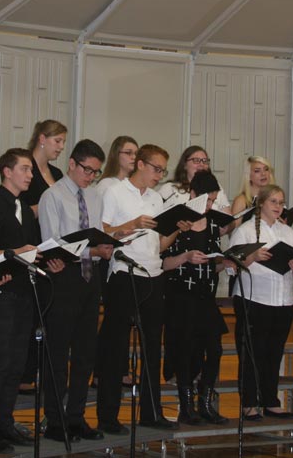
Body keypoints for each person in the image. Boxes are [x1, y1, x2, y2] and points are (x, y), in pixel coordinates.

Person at [97, 144, 190, 433]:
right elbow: (102, 234)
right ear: (139, 164)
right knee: (116, 347)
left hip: (153, 273)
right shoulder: (114, 191)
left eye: (163, 170)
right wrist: (132, 224)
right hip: (125, 273)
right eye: (156, 168)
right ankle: (108, 417)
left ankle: (151, 413)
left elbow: (160, 244)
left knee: (151, 346)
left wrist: (177, 229)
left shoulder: (156, 199)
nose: (159, 175)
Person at [0, 148, 62, 452]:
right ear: (7, 171)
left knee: (17, 364)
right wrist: (9, 256)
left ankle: (4, 423)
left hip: (23, 291)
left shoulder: (24, 210)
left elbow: (32, 250)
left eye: (31, 169)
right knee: (2, 362)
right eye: (25, 169)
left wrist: (49, 259)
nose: (31, 175)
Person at [38, 139, 113, 442]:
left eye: (95, 172)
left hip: (88, 278)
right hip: (63, 277)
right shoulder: (51, 196)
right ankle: (55, 420)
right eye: (86, 170)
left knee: (85, 353)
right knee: (58, 353)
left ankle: (77, 417)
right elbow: (51, 242)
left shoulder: (94, 196)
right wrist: (90, 249)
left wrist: (102, 248)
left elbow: (93, 235)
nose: (90, 176)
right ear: (71, 163)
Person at [230, 184, 293, 421]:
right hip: (255, 299)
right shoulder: (245, 231)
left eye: (281, 202)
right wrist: (252, 257)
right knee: (253, 352)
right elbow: (231, 267)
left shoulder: (288, 233)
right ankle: (249, 403)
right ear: (261, 203)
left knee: (274, 353)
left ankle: (270, 400)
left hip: (283, 300)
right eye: (273, 201)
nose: (278, 206)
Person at [161, 170, 231, 425]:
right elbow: (164, 262)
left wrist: (227, 262)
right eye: (207, 200)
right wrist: (186, 256)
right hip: (181, 296)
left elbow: (213, 262)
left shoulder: (212, 223)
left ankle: (205, 403)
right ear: (192, 195)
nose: (210, 206)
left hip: (205, 296)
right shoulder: (178, 220)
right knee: (185, 351)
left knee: (214, 349)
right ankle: (185, 406)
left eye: (213, 201)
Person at [19, 119, 67, 394]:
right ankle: (25, 374)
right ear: (41, 138)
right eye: (57, 140)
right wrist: (45, 206)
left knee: (48, 314)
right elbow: (19, 208)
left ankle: (38, 371)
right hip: (31, 245)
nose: (60, 146)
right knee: (31, 314)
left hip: (53, 246)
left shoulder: (58, 173)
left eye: (62, 141)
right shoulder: (26, 168)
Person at [92, 135, 139, 390]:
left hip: (125, 258)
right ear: (115, 155)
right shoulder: (107, 185)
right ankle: (103, 370)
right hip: (107, 260)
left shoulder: (132, 188)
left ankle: (117, 368)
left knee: (122, 319)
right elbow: (101, 225)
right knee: (114, 319)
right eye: (128, 153)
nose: (133, 158)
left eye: (135, 153)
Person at [159, 145, 230, 211]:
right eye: (196, 160)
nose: (201, 164)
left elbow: (229, 220)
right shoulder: (169, 188)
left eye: (205, 161)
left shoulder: (216, 188)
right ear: (185, 165)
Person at [231, 156, 275, 227]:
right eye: (257, 171)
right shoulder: (241, 201)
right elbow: (233, 233)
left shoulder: (275, 199)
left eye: (266, 169)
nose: (263, 174)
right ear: (249, 176)